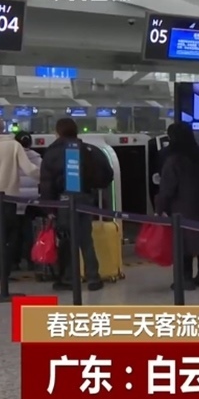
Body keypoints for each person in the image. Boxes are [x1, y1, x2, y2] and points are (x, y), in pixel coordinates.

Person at [38, 118, 111, 291]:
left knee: (67, 239)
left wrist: (49, 208)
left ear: (58, 132)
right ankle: (93, 278)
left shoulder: (53, 152)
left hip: (64, 200)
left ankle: (69, 278)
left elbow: (47, 183)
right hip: (86, 198)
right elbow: (107, 174)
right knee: (86, 239)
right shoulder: (90, 150)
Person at [155, 123, 199, 290]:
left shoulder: (173, 159)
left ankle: (186, 279)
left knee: (183, 243)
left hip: (181, 206)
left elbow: (167, 188)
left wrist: (160, 208)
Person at [0, 115, 40, 282]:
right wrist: (45, 179)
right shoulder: (13, 145)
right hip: (9, 198)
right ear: (1, 128)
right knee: (10, 233)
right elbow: (30, 170)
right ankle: (7, 269)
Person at [13, 131, 43, 269]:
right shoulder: (37, 158)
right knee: (29, 230)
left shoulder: (12, 158)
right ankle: (31, 259)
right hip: (33, 200)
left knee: (14, 231)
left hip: (13, 199)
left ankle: (15, 261)